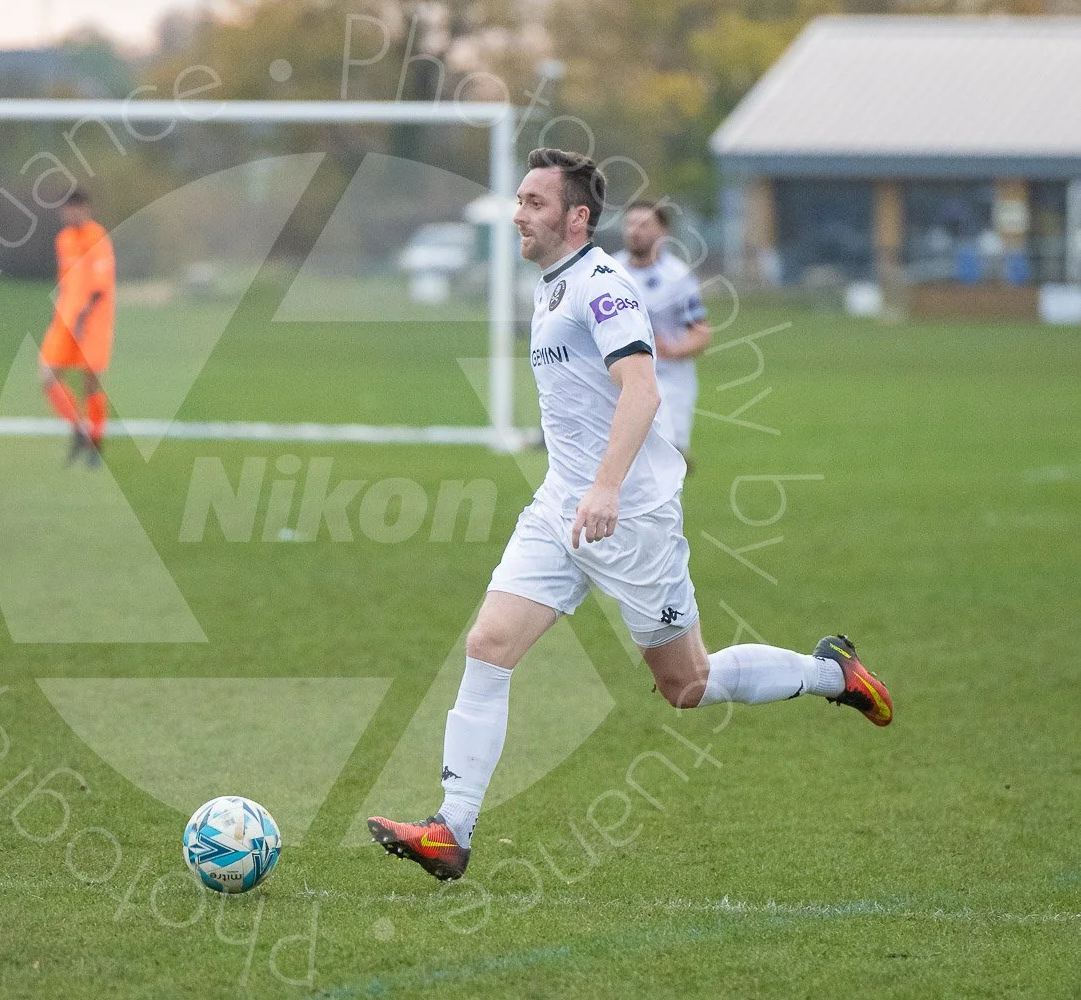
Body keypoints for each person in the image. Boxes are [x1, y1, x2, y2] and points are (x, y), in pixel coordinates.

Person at [367, 148, 892, 882]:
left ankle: (832, 675)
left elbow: (642, 391)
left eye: (535, 202)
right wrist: (581, 488)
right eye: (518, 200)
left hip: (631, 516)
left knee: (687, 684)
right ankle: (450, 831)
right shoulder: (551, 287)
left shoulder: (603, 285)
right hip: (561, 506)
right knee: (488, 645)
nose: (519, 213)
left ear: (577, 216)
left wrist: (607, 488)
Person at [620, 200, 711, 464]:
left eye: (644, 224)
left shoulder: (677, 277)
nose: (635, 230)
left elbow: (701, 333)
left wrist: (671, 350)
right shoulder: (610, 271)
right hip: (622, 381)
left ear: (663, 231)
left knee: (666, 461)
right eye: (630, 224)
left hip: (670, 383)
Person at [40, 189, 115, 464]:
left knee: (90, 381)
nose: (70, 214)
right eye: (66, 209)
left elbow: (100, 285)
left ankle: (95, 442)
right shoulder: (64, 239)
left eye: (75, 209)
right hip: (65, 318)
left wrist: (83, 317)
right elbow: (65, 282)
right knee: (47, 375)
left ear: (86, 209)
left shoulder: (97, 238)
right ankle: (78, 429)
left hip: (93, 320)